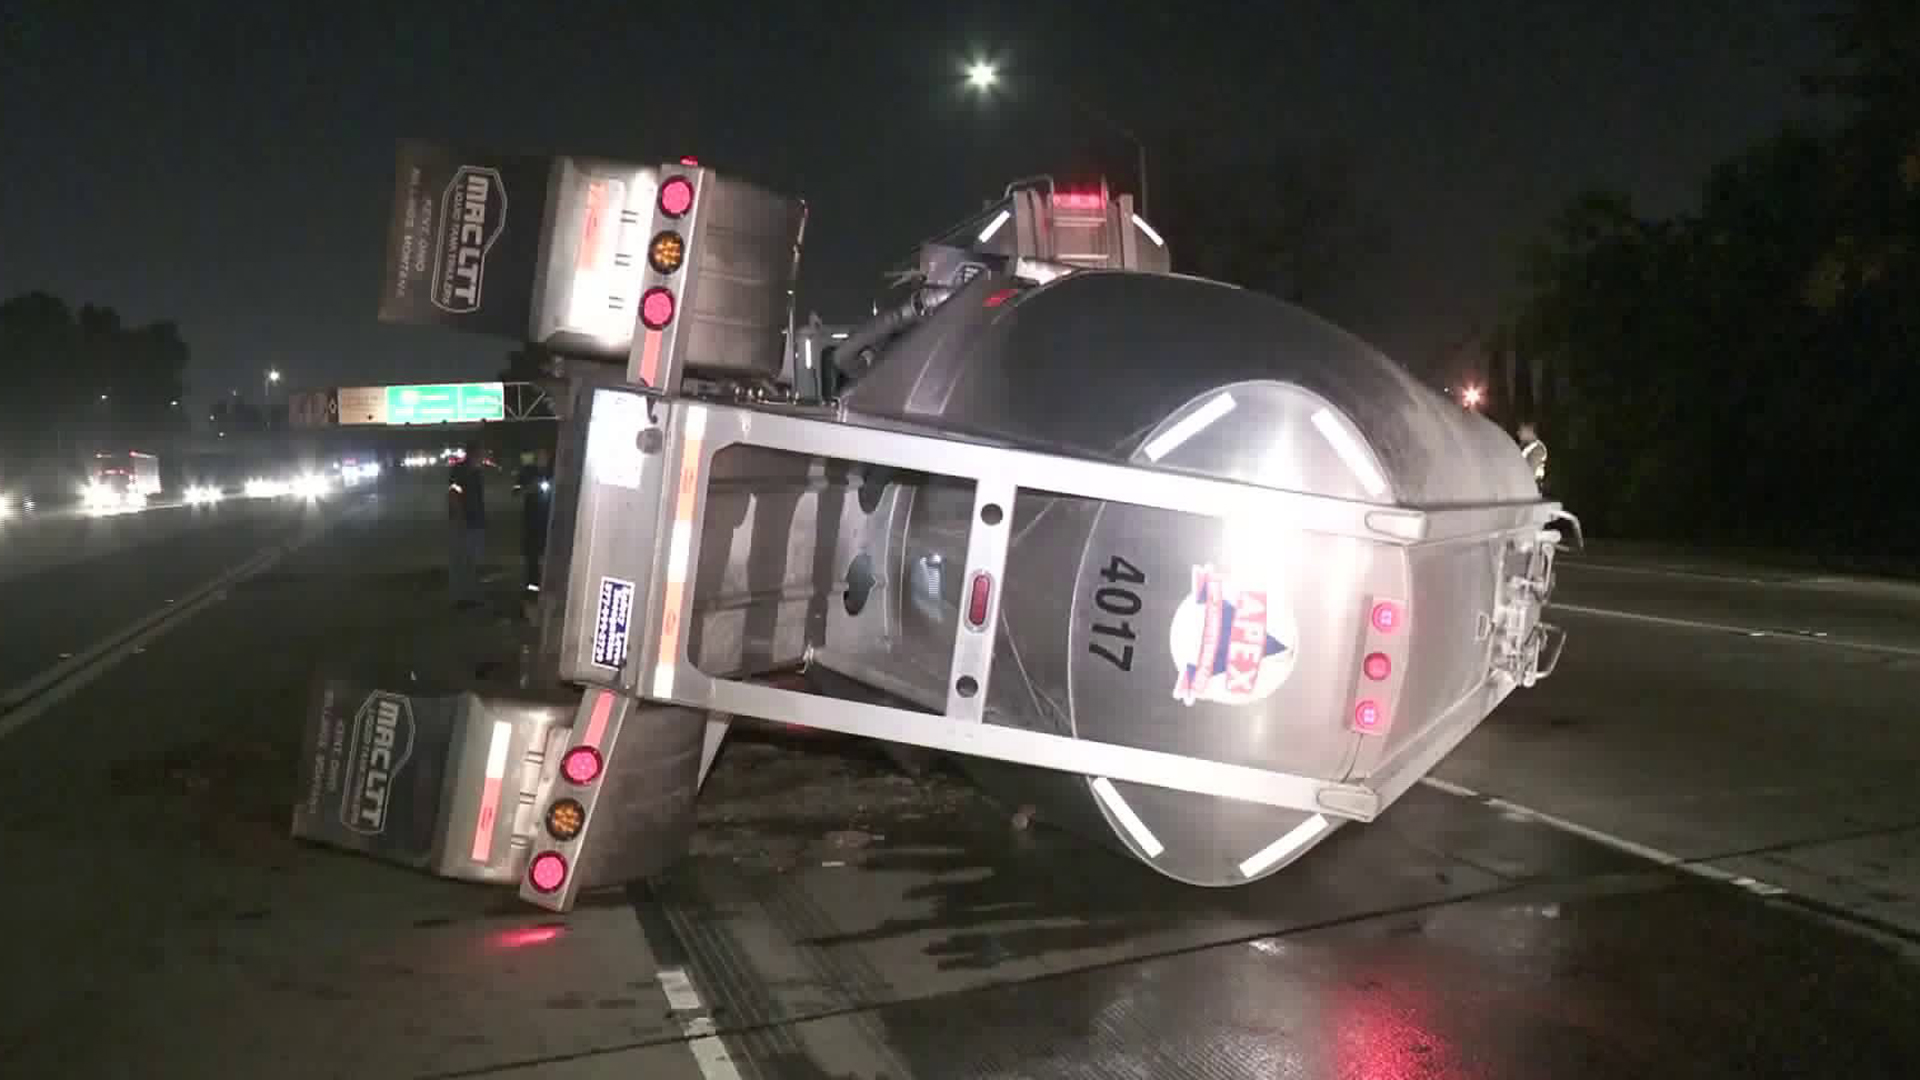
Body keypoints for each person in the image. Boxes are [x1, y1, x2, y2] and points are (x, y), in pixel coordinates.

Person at [447, 439, 487, 609]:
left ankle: (471, 596)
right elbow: (454, 493)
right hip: (464, 522)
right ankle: (461, 598)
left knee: (472, 561)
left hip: (475, 522)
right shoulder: (460, 471)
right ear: (473, 454)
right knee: (463, 561)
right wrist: (460, 518)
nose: (483, 456)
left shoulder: (476, 472)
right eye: (481, 453)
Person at [514, 447, 554, 598]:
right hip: (531, 521)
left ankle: (548, 587)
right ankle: (532, 590)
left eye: (545, 455)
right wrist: (529, 488)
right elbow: (516, 491)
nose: (542, 457)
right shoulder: (527, 472)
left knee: (548, 556)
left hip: (548, 521)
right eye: (539, 455)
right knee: (532, 557)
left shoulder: (553, 471)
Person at [1517, 422, 1549, 488]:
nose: (1518, 433)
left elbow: (1529, 471)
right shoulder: (1526, 446)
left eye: (1521, 430)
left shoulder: (1537, 449)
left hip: (1530, 487)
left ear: (1529, 431)